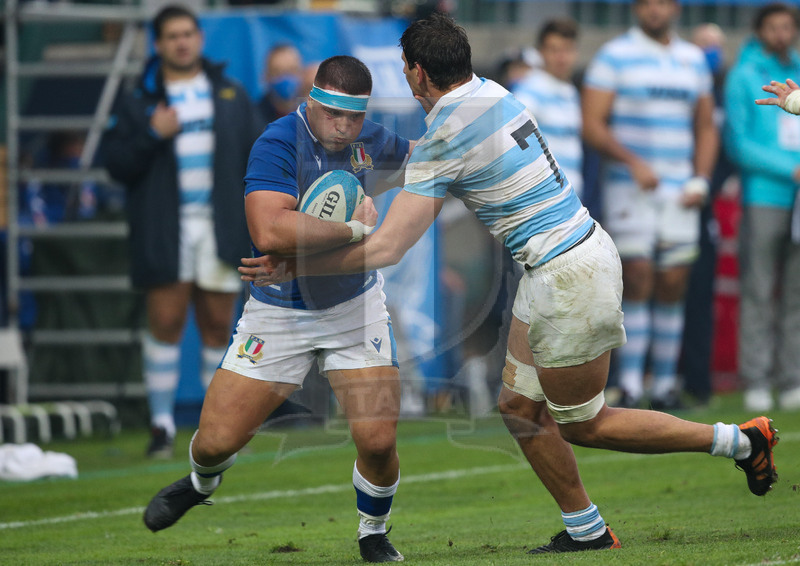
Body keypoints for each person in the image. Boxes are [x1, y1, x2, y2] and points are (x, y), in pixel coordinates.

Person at [241, 13, 779, 555]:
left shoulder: (444, 135)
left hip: (569, 274)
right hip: (561, 261)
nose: (405, 77)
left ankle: (739, 441)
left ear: (418, 72)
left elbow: (387, 249)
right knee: (519, 408)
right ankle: (587, 529)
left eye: (406, 69)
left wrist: (299, 264)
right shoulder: (491, 91)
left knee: (585, 423)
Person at [142, 55, 411, 564]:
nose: (344, 126)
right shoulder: (278, 142)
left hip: (354, 306)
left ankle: (373, 532)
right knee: (215, 442)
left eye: (354, 116)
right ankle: (201, 483)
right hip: (279, 312)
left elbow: (421, 161)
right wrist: (355, 229)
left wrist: (460, 145)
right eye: (333, 113)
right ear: (311, 102)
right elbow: (269, 230)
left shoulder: (370, 140)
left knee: (377, 440)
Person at [102, 4, 262, 458]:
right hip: (165, 229)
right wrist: (152, 134)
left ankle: (216, 429)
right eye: (172, 36)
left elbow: (258, 154)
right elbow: (115, 164)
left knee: (217, 325)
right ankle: (161, 426)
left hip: (220, 227)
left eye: (188, 33)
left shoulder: (229, 93)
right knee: (166, 323)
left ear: (199, 38)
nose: (182, 42)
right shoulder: (138, 99)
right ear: (158, 45)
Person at [582, 0, 719, 410]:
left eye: (661, 2)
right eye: (645, 3)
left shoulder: (693, 59)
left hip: (679, 189)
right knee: (638, 276)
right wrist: (632, 161)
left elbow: (706, 126)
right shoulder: (613, 55)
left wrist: (701, 178)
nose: (653, 10)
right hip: (629, 187)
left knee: (674, 282)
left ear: (675, 8)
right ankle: (629, 385)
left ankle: (664, 386)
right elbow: (592, 123)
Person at [724, 2, 800, 412]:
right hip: (765, 195)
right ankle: (755, 378)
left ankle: (791, 379)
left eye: (787, 26)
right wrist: (790, 169)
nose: (780, 34)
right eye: (772, 27)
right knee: (758, 289)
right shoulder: (743, 75)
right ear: (758, 31)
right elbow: (738, 143)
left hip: (799, 198)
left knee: (796, 292)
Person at [512, 18, 583, 198]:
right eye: (554, 50)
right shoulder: (530, 90)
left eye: (567, 49)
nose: (561, 57)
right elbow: (513, 142)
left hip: (569, 199)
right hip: (544, 200)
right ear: (540, 52)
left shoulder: (570, 92)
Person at [258, 43, 304, 124]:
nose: (285, 77)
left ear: (302, 73)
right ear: (266, 77)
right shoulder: (255, 118)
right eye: (277, 72)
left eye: (292, 70)